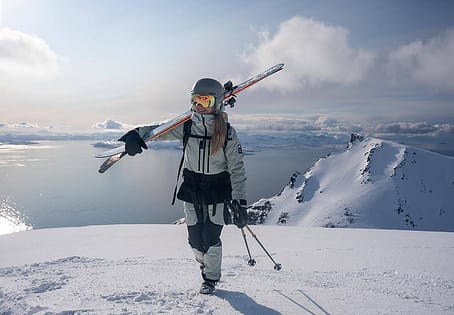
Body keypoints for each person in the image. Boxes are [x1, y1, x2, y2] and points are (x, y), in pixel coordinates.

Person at [119, 78, 249, 294]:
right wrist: (135, 134)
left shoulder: (227, 133)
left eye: (205, 100)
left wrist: (240, 201)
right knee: (195, 241)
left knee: (210, 238)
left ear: (216, 103)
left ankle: (210, 278)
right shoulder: (187, 126)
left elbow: (237, 169)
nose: (199, 105)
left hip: (217, 190)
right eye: (195, 99)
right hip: (192, 188)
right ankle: (204, 263)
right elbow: (158, 131)